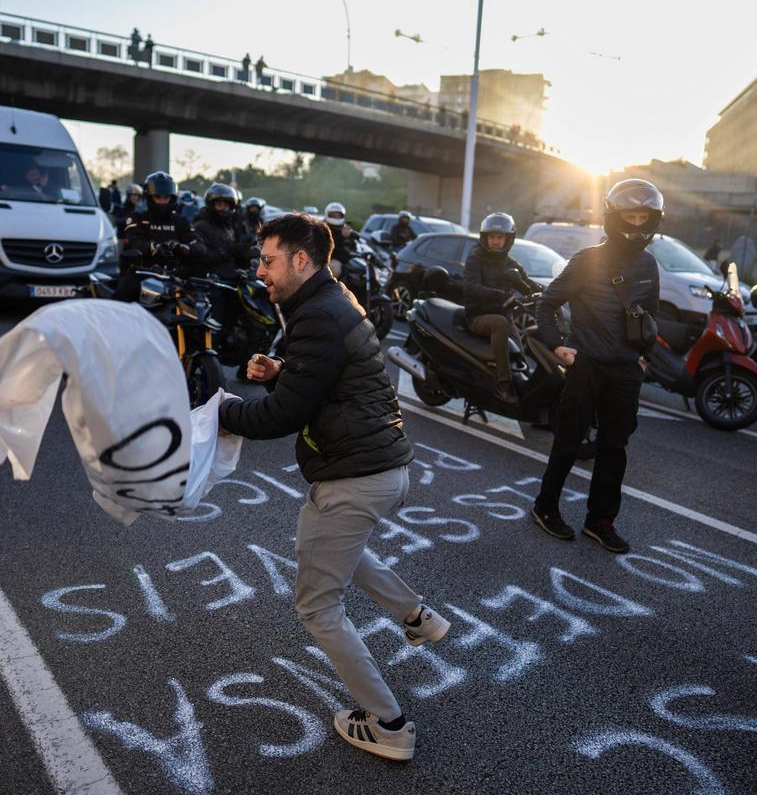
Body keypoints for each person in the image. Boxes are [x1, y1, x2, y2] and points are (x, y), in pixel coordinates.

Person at [218, 212, 447, 761]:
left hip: (354, 475)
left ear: (301, 259)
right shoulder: (331, 299)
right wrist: (281, 371)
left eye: (268, 260)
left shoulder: (317, 313)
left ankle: (390, 725)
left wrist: (225, 411)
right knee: (334, 549)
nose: (260, 270)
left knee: (317, 607)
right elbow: (325, 377)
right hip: (383, 467)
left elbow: (281, 417)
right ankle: (418, 618)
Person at [532, 179, 662, 555]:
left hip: (625, 371)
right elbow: (547, 303)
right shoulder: (587, 260)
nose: (636, 224)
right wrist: (559, 345)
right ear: (613, 216)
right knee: (569, 442)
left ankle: (600, 520)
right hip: (586, 364)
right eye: (629, 216)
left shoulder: (649, 264)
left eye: (643, 217)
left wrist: (642, 355)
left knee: (614, 447)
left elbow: (650, 315)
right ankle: (545, 507)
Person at [464, 212, 540, 401]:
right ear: (485, 238)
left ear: (508, 239)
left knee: (521, 351)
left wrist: (546, 293)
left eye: (500, 237)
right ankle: (503, 385)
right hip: (478, 317)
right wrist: (501, 296)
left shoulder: (509, 263)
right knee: (501, 323)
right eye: (492, 237)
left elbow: (526, 282)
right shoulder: (475, 258)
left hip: (504, 317)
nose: (495, 241)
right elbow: (472, 287)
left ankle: (524, 387)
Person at [116, 170, 203, 302]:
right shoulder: (137, 218)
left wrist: (183, 248)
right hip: (142, 274)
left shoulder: (181, 221)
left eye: (166, 197)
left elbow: (198, 244)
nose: (162, 201)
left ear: (172, 198)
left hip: (175, 278)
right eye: (158, 197)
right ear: (149, 197)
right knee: (121, 298)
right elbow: (135, 242)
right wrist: (157, 247)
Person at [193, 182, 250, 333]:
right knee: (216, 326)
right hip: (211, 284)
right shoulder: (201, 226)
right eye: (219, 204)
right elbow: (202, 257)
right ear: (211, 204)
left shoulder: (229, 227)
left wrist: (248, 253)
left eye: (226, 204)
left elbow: (236, 255)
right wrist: (229, 250)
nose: (223, 208)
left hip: (230, 281)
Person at [324, 201, 356, 276]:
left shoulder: (345, 229)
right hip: (330, 259)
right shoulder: (323, 228)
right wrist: (342, 237)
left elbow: (354, 244)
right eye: (333, 215)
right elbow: (330, 247)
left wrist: (351, 236)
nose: (336, 217)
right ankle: (331, 287)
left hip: (347, 259)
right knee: (335, 269)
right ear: (328, 214)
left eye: (338, 215)